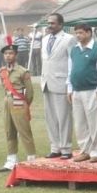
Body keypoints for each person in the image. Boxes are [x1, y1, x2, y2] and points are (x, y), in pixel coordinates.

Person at [67, 24, 97, 163]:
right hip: (76, 91)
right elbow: (70, 70)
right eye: (76, 33)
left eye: (81, 33)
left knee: (93, 122)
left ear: (89, 33)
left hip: (91, 91)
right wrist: (69, 88)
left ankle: (96, 152)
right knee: (79, 123)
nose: (78, 35)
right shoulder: (74, 50)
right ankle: (85, 151)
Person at [41, 13, 77, 159]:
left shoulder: (69, 39)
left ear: (61, 25)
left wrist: (70, 85)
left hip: (61, 83)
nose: (49, 26)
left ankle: (66, 148)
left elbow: (72, 63)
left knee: (64, 118)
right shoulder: (44, 40)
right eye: (48, 23)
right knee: (50, 118)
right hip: (46, 83)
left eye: (53, 23)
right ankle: (55, 147)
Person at [0, 39, 37, 172]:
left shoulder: (22, 71)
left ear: (16, 55)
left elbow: (30, 92)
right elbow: (4, 87)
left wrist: (26, 105)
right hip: (7, 102)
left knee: (24, 131)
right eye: (6, 54)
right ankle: (11, 160)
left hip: (19, 102)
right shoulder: (2, 71)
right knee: (9, 131)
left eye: (11, 53)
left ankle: (31, 158)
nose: (8, 56)